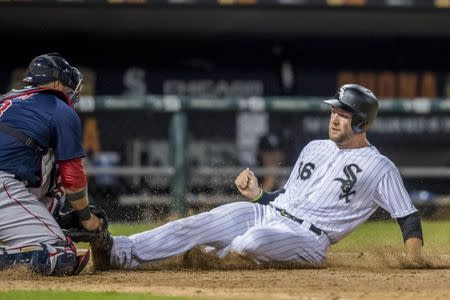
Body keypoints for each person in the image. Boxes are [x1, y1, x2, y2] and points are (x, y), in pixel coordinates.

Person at [91, 84, 424, 270]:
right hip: (269, 213)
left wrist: (413, 261)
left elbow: (408, 217)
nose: (334, 119)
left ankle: (203, 258)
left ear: (362, 123)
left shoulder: (380, 167)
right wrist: (257, 197)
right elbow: (287, 197)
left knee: (251, 242)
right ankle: (116, 251)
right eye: (333, 112)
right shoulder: (314, 148)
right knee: (195, 223)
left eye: (344, 114)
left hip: (309, 238)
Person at [0, 53, 105, 275]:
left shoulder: (6, 101)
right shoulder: (59, 109)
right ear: (58, 83)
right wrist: (87, 218)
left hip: (8, 188)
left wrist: (58, 220)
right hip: (3, 187)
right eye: (68, 86)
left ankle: (47, 223)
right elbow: (73, 179)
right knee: (60, 254)